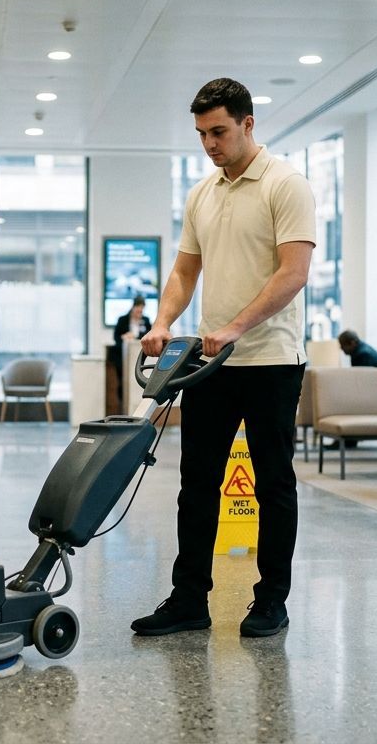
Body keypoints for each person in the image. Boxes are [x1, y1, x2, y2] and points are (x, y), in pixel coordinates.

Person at [131, 78, 316, 639]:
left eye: (219, 131)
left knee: (272, 484)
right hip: (211, 366)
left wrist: (235, 326)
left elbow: (294, 272)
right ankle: (189, 600)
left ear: (247, 124)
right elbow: (186, 269)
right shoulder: (202, 194)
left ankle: (271, 601)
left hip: (272, 362)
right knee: (197, 482)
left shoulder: (286, 185)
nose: (209, 144)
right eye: (201, 134)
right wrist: (162, 322)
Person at [111, 295, 152, 409]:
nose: (139, 311)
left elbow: (149, 336)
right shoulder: (123, 320)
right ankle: (122, 405)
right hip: (123, 357)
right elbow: (116, 337)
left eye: (141, 309)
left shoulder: (146, 320)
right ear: (133, 307)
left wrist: (136, 336)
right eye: (138, 308)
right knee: (122, 382)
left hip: (139, 356)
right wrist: (125, 337)